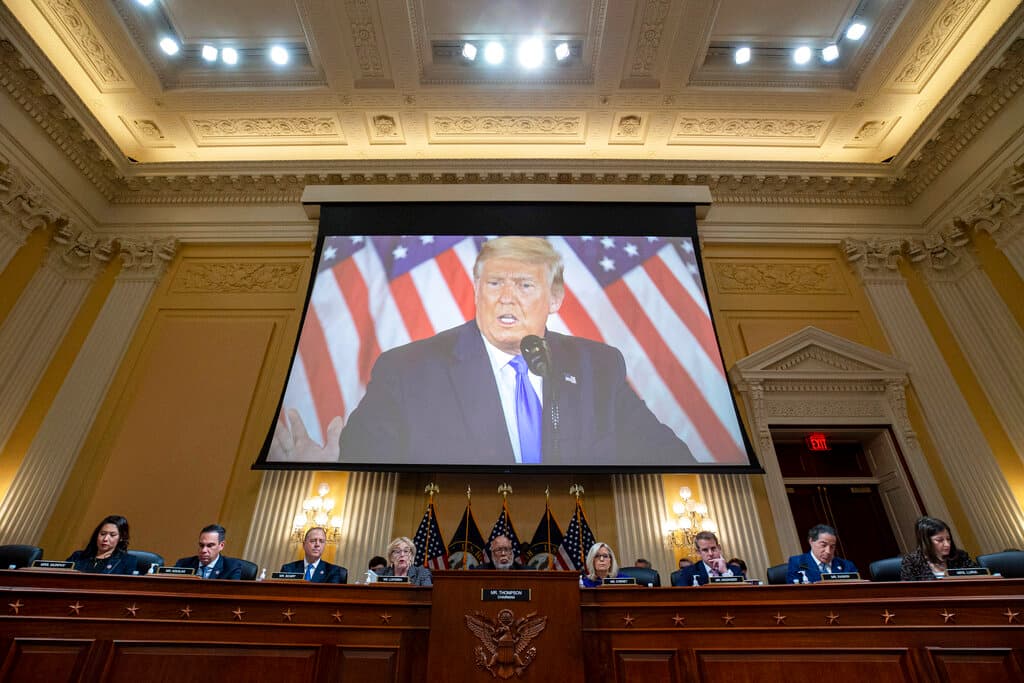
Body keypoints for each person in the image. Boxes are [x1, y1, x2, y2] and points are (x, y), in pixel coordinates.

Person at [330, 236, 696, 466]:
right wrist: (332, 468)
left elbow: (670, 458)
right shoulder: (408, 369)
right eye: (494, 283)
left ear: (554, 298)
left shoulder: (597, 367)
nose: (507, 297)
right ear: (476, 290)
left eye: (524, 285)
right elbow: (362, 459)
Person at [900, 516, 979, 581]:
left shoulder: (960, 556)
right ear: (926, 541)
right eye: (940, 540)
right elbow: (909, 591)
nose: (947, 544)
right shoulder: (912, 561)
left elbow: (980, 577)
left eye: (948, 539)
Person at [785, 524, 858, 584]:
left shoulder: (847, 566)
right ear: (811, 541)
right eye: (823, 545)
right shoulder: (799, 562)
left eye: (832, 547)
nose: (828, 551)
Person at [67, 515, 138, 575]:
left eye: (112, 535)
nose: (105, 539)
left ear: (121, 538)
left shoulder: (127, 561)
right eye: (103, 534)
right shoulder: (77, 556)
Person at [673, 531, 743, 586]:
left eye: (713, 548)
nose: (710, 553)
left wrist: (725, 573)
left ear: (719, 548)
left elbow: (741, 595)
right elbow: (681, 597)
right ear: (698, 552)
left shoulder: (735, 570)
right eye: (705, 550)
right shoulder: (688, 572)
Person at [280, 527, 347, 583]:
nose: (317, 545)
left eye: (321, 541)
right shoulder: (288, 569)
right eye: (313, 541)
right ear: (304, 545)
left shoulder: (334, 571)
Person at [174, 524, 242, 579]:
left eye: (210, 545)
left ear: (221, 545)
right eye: (201, 545)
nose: (203, 550)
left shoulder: (231, 567)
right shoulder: (183, 564)